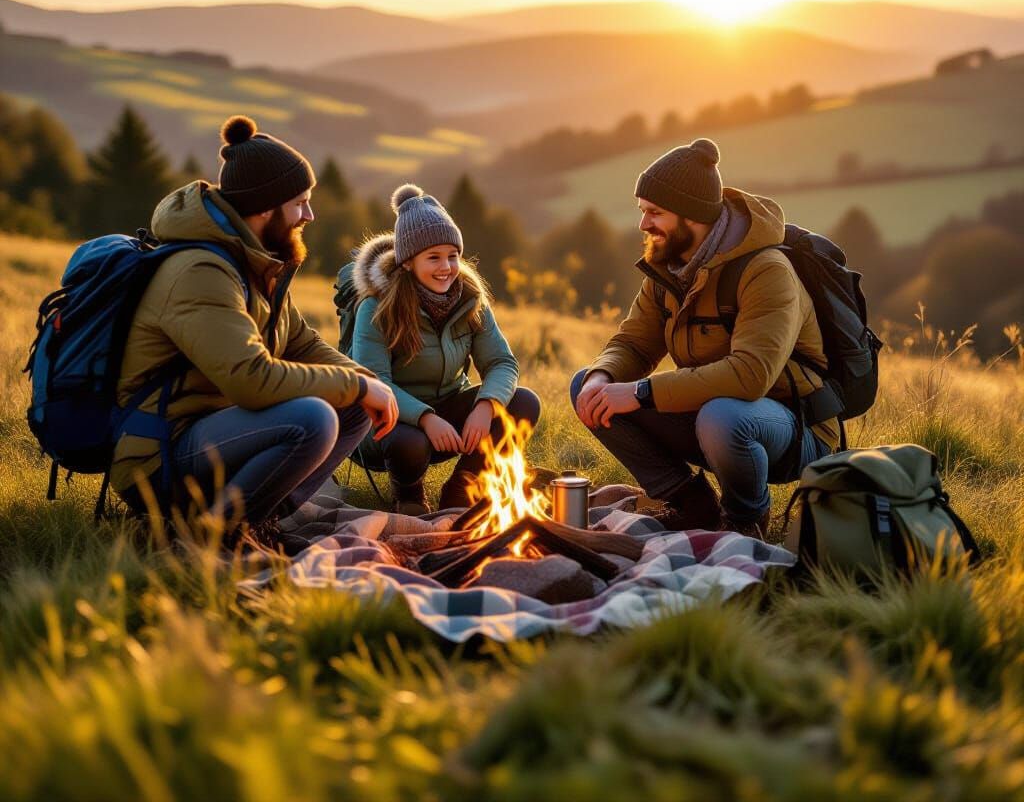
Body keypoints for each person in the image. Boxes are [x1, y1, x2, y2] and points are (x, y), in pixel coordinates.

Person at [113, 115, 398, 533]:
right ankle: (214, 538)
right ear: (265, 207)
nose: (310, 214)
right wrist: (357, 386)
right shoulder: (201, 272)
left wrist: (365, 382)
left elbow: (301, 342)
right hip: (161, 454)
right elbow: (251, 379)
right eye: (300, 202)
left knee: (353, 404)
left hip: (217, 432)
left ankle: (262, 521)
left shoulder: (254, 263)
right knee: (314, 419)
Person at [570, 138, 839, 539]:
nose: (644, 224)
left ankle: (745, 518)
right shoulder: (669, 269)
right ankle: (691, 505)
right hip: (714, 416)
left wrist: (641, 393)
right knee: (587, 386)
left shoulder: (765, 270)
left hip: (791, 426)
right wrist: (602, 376)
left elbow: (750, 376)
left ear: (692, 216)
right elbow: (634, 343)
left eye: (655, 213)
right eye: (643, 212)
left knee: (722, 415)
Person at [350, 184, 541, 515]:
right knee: (411, 441)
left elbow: (501, 363)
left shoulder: (469, 298)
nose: (446, 268)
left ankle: (463, 488)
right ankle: (408, 495)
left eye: (453, 256)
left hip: (448, 413)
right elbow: (374, 381)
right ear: (408, 262)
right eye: (433, 257)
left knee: (523, 402)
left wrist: (486, 405)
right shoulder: (377, 306)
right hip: (384, 424)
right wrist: (425, 418)